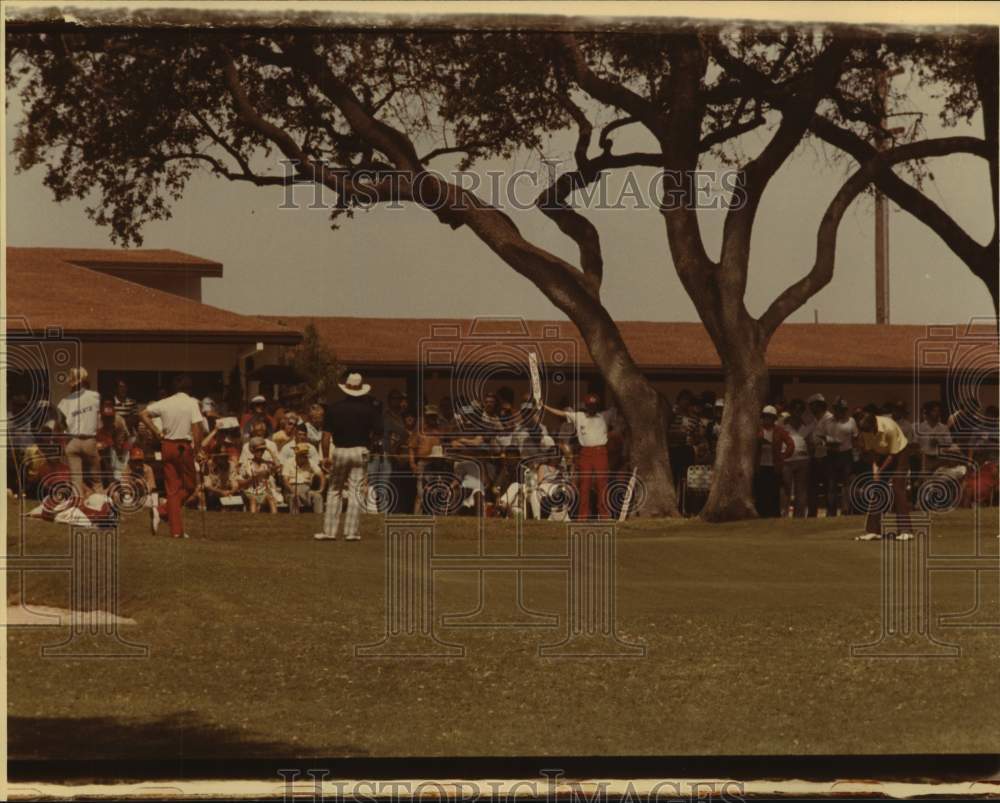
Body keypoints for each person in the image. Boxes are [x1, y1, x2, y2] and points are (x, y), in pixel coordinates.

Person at [314, 372, 383, 542]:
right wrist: (371, 447)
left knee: (334, 490)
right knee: (355, 491)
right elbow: (379, 433)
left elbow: (326, 436)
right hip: (361, 450)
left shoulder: (334, 409)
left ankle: (329, 532)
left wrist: (324, 456)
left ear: (346, 388)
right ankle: (351, 532)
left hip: (341, 450)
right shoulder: (370, 409)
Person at [138, 374, 205, 539]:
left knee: (172, 489)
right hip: (184, 446)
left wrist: (156, 432)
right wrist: (198, 450)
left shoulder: (166, 402)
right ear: (189, 389)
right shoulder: (192, 403)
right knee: (189, 487)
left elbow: (142, 414)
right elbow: (197, 427)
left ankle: (164, 514)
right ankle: (174, 528)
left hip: (167, 445)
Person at [544, 393, 610, 520]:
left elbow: (619, 410)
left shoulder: (604, 416)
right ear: (586, 406)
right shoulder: (579, 416)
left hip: (600, 452)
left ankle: (604, 515)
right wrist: (544, 406)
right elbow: (561, 413)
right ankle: (583, 516)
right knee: (584, 485)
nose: (592, 408)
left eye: (594, 406)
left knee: (602, 484)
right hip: (586, 453)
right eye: (590, 406)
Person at [856, 410, 913, 541]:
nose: (867, 432)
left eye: (869, 429)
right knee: (878, 489)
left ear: (874, 424)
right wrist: (875, 470)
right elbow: (872, 453)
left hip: (900, 454)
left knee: (897, 489)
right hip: (881, 454)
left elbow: (892, 456)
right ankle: (873, 531)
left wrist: (880, 472)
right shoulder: (866, 430)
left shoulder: (889, 427)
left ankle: (906, 530)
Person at [56, 366, 104, 499]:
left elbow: (60, 424)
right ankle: (102, 509)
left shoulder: (63, 402)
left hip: (73, 441)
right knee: (96, 480)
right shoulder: (95, 395)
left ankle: (78, 509)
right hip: (89, 441)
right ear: (84, 381)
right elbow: (99, 416)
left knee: (76, 481)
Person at [818, 398, 858, 516]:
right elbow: (819, 435)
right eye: (837, 409)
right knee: (831, 484)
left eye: (842, 410)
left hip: (846, 454)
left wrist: (855, 454)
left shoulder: (851, 421)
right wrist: (828, 441)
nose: (840, 412)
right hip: (831, 454)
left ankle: (846, 510)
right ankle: (831, 512)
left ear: (845, 410)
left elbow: (855, 437)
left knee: (847, 483)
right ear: (834, 409)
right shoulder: (827, 421)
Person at [755, 405, 795, 518]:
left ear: (774, 419)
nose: (767, 419)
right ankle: (761, 514)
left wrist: (783, 456)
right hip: (760, 465)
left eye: (770, 417)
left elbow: (790, 444)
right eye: (765, 417)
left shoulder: (779, 431)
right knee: (761, 490)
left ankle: (773, 514)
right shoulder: (757, 430)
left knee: (773, 491)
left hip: (774, 466)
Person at [781, 399, 812, 517]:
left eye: (800, 409)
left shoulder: (806, 426)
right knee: (786, 487)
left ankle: (799, 516)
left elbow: (810, 443)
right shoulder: (783, 425)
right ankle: (784, 514)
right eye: (795, 409)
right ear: (790, 410)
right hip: (787, 460)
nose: (797, 412)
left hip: (803, 460)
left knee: (801, 490)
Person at [282, 442, 326, 514]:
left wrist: (321, 489)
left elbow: (321, 475)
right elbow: (285, 480)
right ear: (297, 455)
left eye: (306, 455)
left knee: (317, 496)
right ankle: (295, 519)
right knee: (293, 497)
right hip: (292, 488)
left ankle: (318, 517)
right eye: (303, 455)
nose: (305, 457)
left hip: (306, 489)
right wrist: (292, 490)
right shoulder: (288, 462)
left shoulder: (311, 462)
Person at [240, 436, 280, 514]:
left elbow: (278, 466)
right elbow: (240, 482)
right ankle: (253, 519)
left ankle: (275, 520)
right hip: (250, 490)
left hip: (264, 491)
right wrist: (252, 478)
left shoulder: (266, 464)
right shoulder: (247, 464)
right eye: (258, 450)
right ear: (253, 451)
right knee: (253, 499)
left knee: (270, 499)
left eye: (262, 450)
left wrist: (270, 450)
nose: (260, 452)